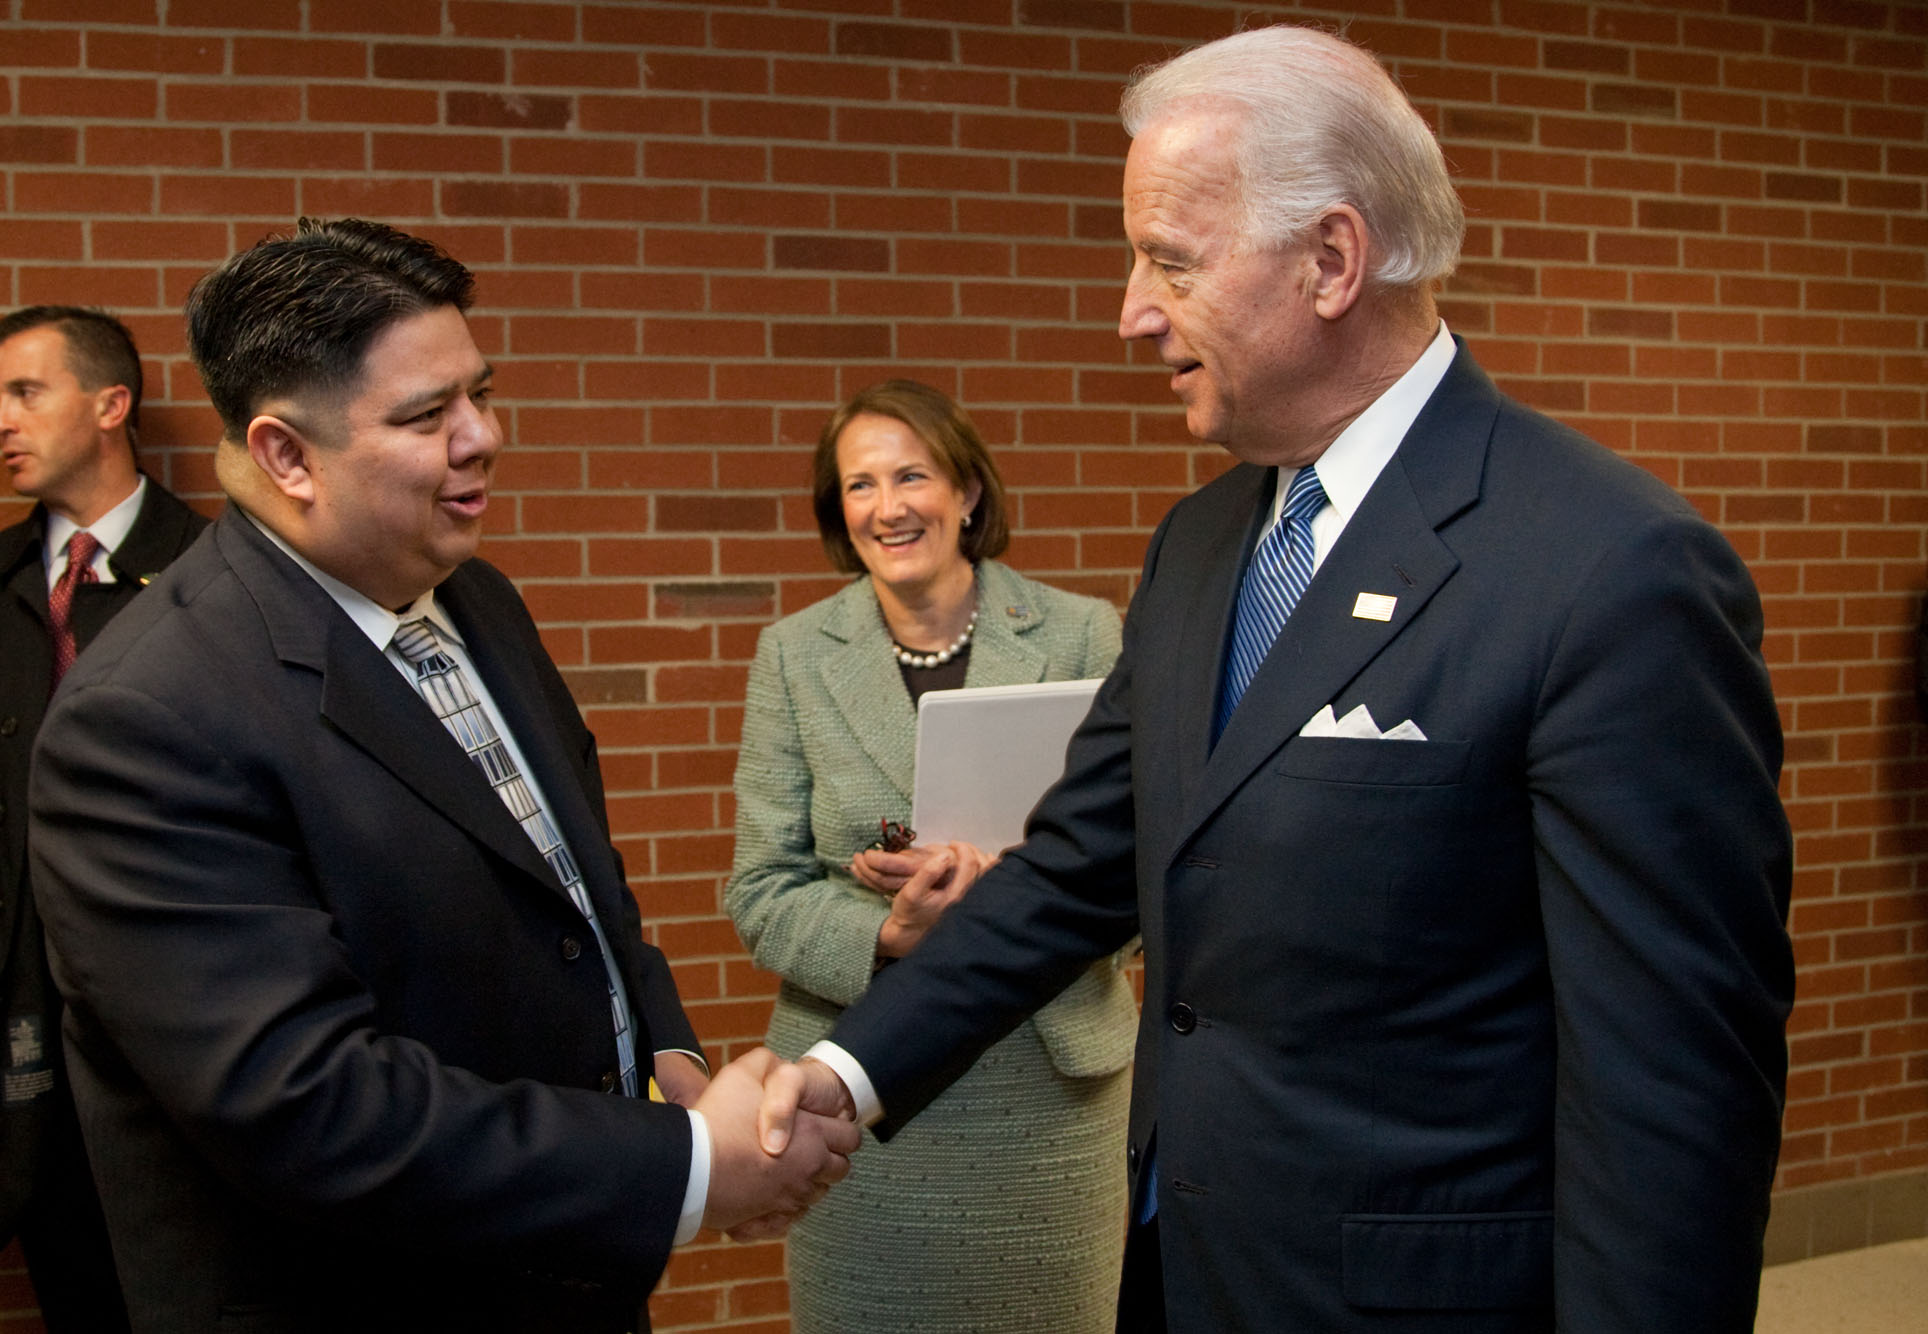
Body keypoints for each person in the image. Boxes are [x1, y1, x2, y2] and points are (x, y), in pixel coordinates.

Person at [762, 26, 1796, 1333]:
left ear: (1331, 260)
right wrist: (848, 1073)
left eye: (1171, 262)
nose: (1131, 309)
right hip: (1184, 1273)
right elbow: (1082, 867)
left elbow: (1672, 1092)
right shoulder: (1201, 547)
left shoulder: (1609, 571)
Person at [25, 218, 855, 1334]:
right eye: (427, 415)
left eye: (479, 392)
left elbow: (577, 891)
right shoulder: (148, 716)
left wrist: (666, 1060)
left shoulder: (477, 600)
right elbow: (306, 1105)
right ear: (284, 453)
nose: (483, 436)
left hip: (559, 1277)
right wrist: (685, 1166)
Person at [725, 379, 1136, 1333]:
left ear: (968, 494)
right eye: (860, 485)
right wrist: (889, 936)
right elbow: (761, 887)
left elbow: (1131, 864)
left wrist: (1013, 898)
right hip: (857, 1102)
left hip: (1048, 1094)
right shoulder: (792, 655)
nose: (888, 506)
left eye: (911, 475)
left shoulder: (1082, 633)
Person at [0, 305, 208, 1331]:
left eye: (24, 391)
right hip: (29, 1059)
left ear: (110, 404)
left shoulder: (219, 579)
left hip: (192, 1039)